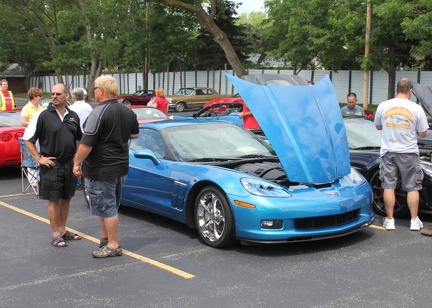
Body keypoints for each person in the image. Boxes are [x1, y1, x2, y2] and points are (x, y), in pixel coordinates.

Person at [73, 75, 139, 258]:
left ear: (101, 91)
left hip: (102, 168)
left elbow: (86, 144)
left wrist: (77, 162)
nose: (93, 91)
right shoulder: (127, 111)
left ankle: (112, 245)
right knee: (108, 205)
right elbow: (134, 135)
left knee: (107, 207)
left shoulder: (98, 112)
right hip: (120, 166)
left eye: (94, 88)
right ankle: (106, 238)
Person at [23, 83, 82, 247]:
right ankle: (56, 233)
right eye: (53, 94)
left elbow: (79, 138)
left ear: (67, 96)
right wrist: (39, 158)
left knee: (66, 198)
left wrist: (77, 158)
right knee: (54, 200)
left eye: (58, 94)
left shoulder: (73, 116)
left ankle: (63, 230)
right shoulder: (43, 115)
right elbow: (28, 139)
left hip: (69, 163)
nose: (54, 96)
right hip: (52, 165)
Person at [374, 77, 429, 231]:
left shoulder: (383, 106)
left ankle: (390, 220)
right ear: (410, 90)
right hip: (409, 152)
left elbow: (378, 126)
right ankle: (414, 220)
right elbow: (423, 133)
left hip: (388, 151)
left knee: (388, 185)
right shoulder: (416, 108)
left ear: (397, 89)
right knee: (412, 187)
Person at [69, 87, 93, 190]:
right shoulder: (89, 107)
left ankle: (77, 182)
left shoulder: (72, 109)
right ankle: (85, 181)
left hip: (77, 137)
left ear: (73, 97)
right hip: (89, 136)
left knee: (76, 159)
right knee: (86, 159)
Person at [21, 87, 44, 187]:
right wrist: (35, 124)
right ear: (34, 96)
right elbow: (23, 122)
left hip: (40, 136)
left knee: (40, 155)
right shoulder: (26, 108)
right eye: (39, 96)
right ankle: (32, 178)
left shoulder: (40, 108)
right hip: (31, 136)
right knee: (32, 156)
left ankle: (40, 177)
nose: (41, 97)